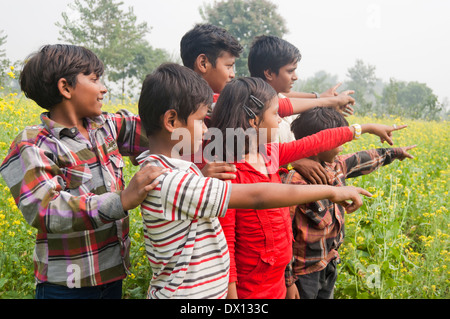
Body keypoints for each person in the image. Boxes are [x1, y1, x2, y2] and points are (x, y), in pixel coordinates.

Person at [135, 63, 372, 299]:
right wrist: (330, 192)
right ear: (172, 121)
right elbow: (256, 197)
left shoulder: (189, 172)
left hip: (271, 283)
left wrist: (363, 129)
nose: (207, 132)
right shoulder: (182, 179)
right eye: (199, 121)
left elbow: (311, 143)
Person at [209, 77, 401, 299]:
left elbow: (316, 141)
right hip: (250, 290)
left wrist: (364, 129)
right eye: (275, 115)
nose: (281, 122)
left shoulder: (269, 155)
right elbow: (227, 248)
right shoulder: (228, 174)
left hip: (277, 282)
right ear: (254, 122)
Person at [0, 44, 166, 299]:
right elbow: (45, 210)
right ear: (65, 87)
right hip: (65, 288)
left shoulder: (107, 126)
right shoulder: (32, 144)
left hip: (113, 277)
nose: (103, 88)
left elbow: (162, 132)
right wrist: (121, 200)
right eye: (95, 79)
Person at [282, 107, 415, 299]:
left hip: (329, 263)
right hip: (303, 275)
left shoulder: (335, 166)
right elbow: (284, 235)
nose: (343, 146)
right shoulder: (294, 182)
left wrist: (394, 153)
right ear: (320, 143)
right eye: (338, 141)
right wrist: (289, 281)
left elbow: (363, 159)